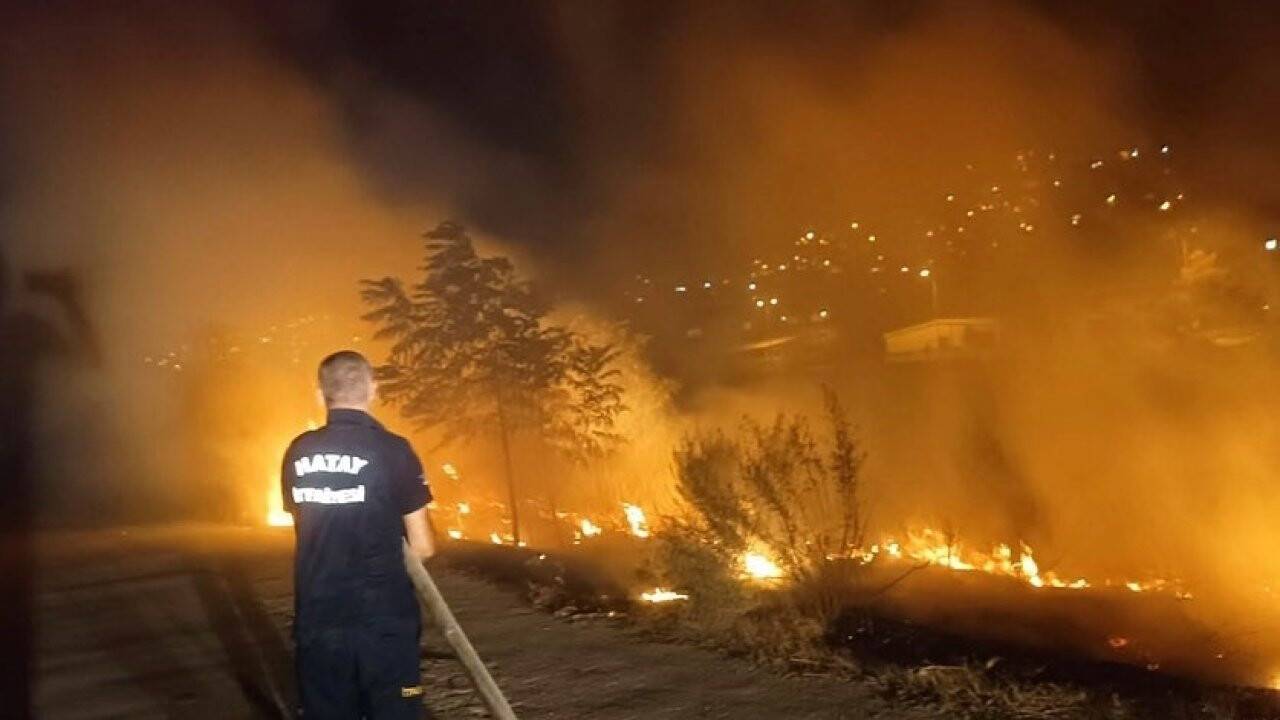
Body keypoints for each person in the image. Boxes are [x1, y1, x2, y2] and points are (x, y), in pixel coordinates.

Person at [282, 350, 437, 719]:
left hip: (318, 619)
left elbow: (307, 525)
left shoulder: (298, 451)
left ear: (320, 395)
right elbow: (423, 546)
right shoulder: (394, 451)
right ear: (373, 390)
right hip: (383, 622)